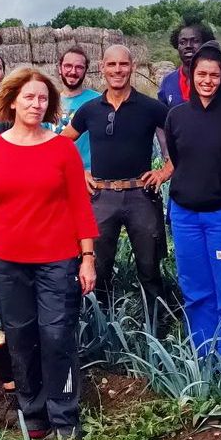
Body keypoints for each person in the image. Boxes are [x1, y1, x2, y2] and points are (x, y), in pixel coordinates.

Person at [0, 68, 99, 440]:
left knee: (57, 335)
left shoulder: (61, 149)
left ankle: (64, 414)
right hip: (8, 262)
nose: (36, 104)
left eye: (43, 98)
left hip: (57, 259)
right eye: (29, 97)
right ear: (12, 101)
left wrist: (87, 256)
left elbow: (79, 206)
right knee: (20, 336)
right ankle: (33, 411)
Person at [61, 45, 172, 318]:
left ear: (132, 67)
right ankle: (103, 332)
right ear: (102, 68)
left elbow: (183, 141)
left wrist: (165, 171)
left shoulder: (151, 107)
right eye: (112, 65)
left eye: (123, 64)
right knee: (98, 268)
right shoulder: (89, 110)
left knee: (149, 267)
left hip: (141, 195)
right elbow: (61, 144)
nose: (117, 70)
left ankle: (154, 329)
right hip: (101, 196)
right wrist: (79, 172)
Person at [164, 41, 221, 367]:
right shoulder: (176, 117)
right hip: (185, 216)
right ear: (192, 74)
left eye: (214, 75)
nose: (207, 80)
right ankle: (203, 357)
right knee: (196, 288)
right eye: (202, 73)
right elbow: (178, 158)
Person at [50, 46, 100, 170]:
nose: (73, 71)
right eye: (68, 66)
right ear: (59, 69)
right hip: (57, 171)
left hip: (89, 175)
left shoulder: (99, 101)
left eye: (79, 67)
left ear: (85, 71)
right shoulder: (47, 102)